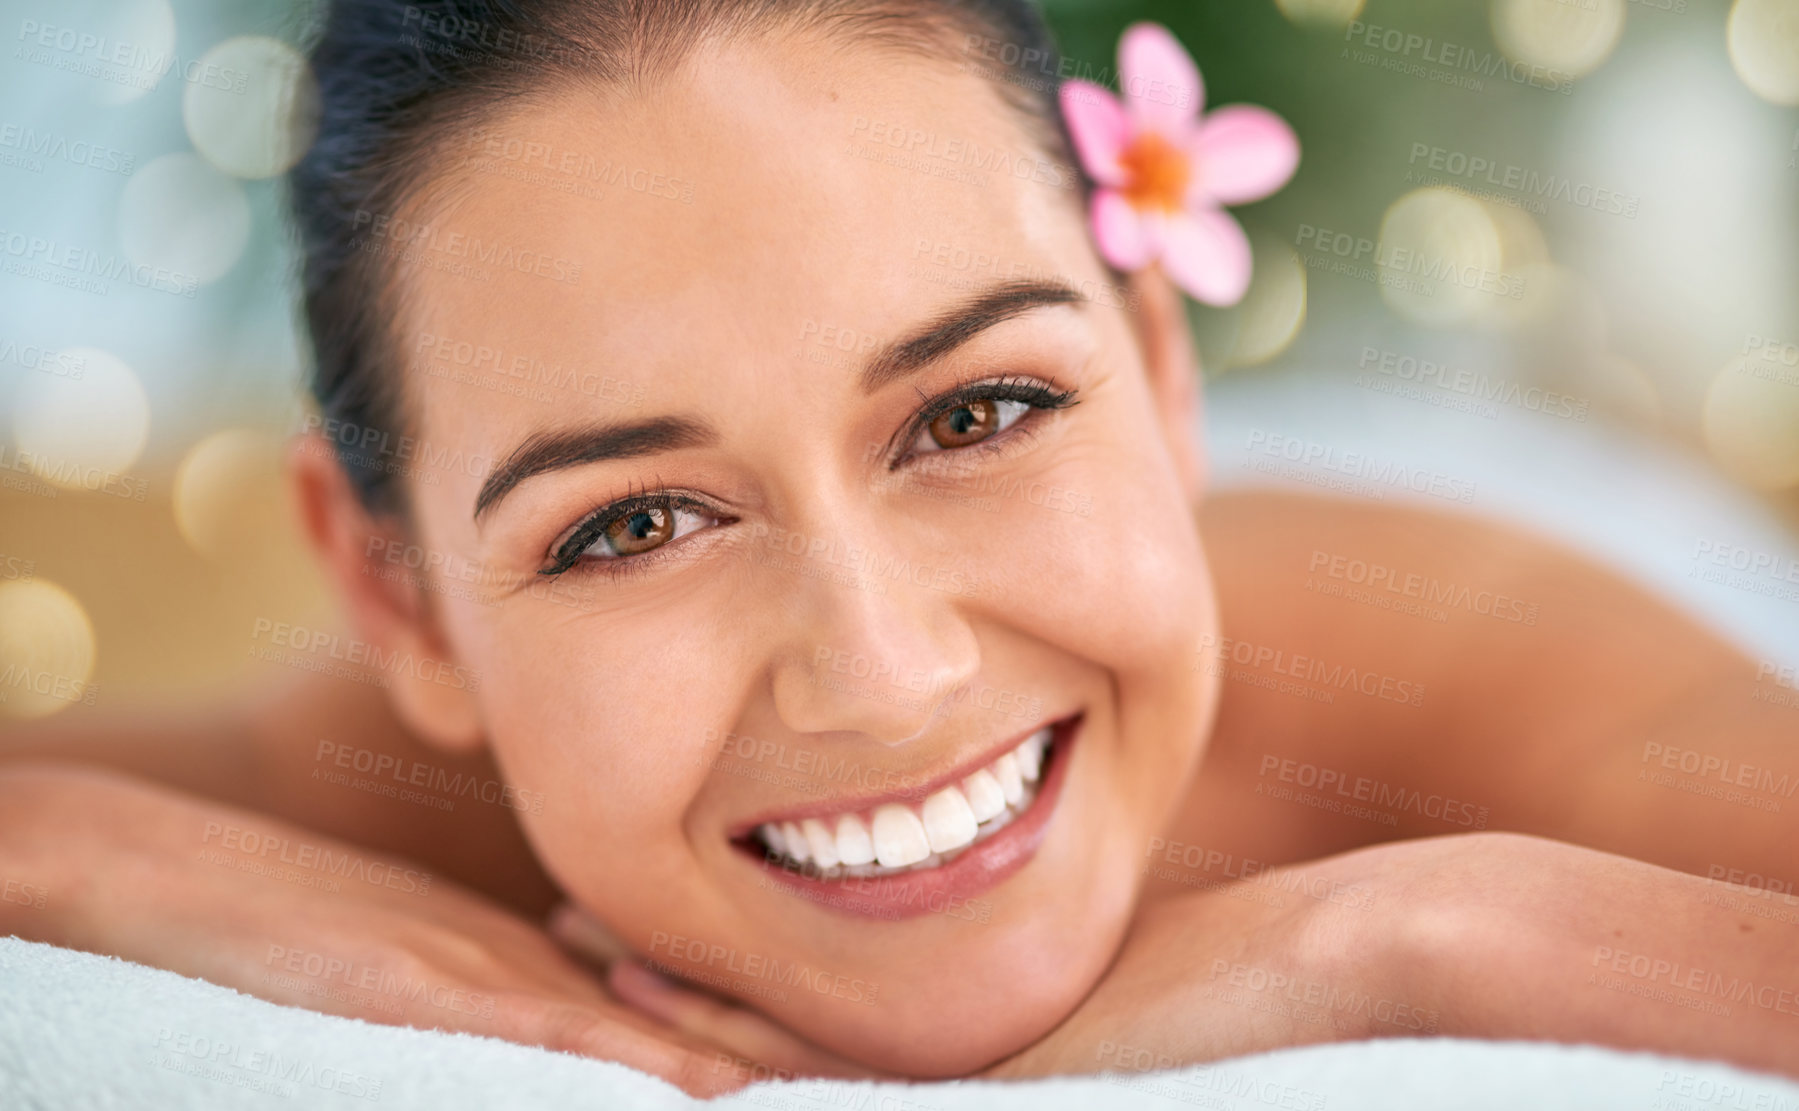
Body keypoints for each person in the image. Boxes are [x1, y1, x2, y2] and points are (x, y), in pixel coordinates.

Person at [2, 0, 1795, 1096]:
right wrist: (80, 855)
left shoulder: (1467, 669)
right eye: (633, 523)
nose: (883, 673)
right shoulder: (393, 792)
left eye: (975, 412)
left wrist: (1421, 930)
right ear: (397, 598)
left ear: (1162, 370)